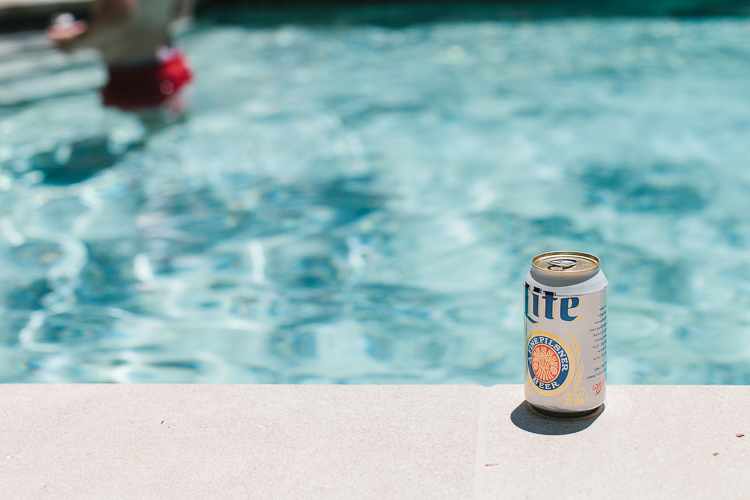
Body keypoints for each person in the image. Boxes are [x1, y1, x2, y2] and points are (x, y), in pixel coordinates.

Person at [47, 0, 194, 113]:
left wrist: (72, 42)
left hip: (134, 78)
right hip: (172, 63)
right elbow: (179, 14)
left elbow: (115, 22)